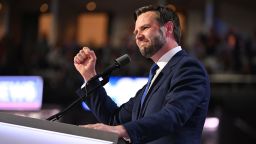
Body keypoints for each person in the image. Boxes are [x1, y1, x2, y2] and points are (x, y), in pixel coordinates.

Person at [74, 5, 210, 144]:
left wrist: (122, 130)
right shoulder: (155, 77)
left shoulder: (188, 68)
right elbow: (114, 119)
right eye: (136, 32)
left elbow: (173, 115)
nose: (138, 36)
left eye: (145, 28)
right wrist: (89, 75)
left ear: (168, 28)